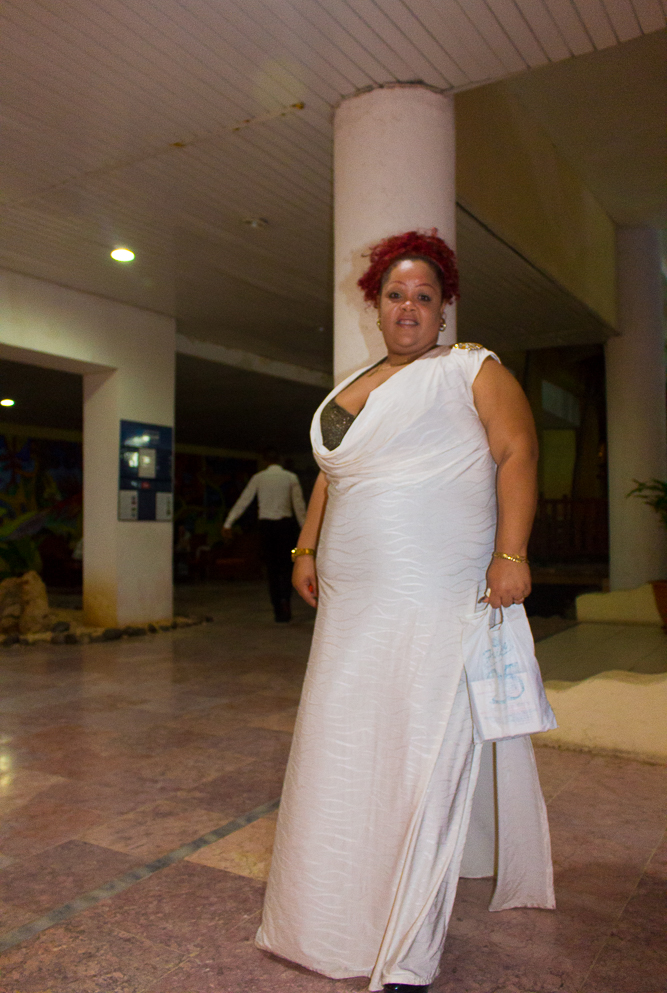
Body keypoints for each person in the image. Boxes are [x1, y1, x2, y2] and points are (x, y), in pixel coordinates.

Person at [255, 231, 555, 991]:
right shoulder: (355, 383)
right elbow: (331, 474)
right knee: (343, 738)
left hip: (431, 591)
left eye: (425, 296)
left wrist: (511, 554)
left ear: (444, 306)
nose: (409, 307)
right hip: (351, 602)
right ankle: (323, 908)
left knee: (418, 744)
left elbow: (517, 453)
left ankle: (406, 943)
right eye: (396, 295)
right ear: (377, 305)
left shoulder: (470, 369)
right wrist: (305, 547)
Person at [222, 451, 306, 622]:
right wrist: (306, 530)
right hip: (286, 527)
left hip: (267, 527)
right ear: (280, 460)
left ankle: (277, 609)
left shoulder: (259, 478)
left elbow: (244, 500)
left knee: (272, 569)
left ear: (265, 461)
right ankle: (286, 601)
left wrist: (228, 523)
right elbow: (299, 506)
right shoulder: (290, 477)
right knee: (287, 566)